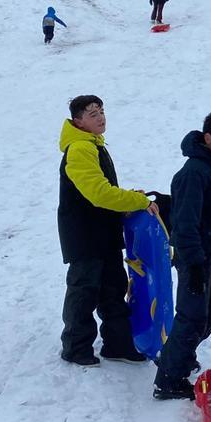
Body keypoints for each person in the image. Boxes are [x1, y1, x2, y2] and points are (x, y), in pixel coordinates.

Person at [57, 95, 159, 367]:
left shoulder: (94, 145)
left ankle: (118, 345)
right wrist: (137, 202)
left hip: (103, 233)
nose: (101, 117)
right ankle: (75, 347)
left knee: (112, 289)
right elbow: (98, 194)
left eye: (101, 111)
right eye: (92, 114)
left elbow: (104, 191)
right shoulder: (79, 149)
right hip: (84, 236)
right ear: (78, 121)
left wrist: (126, 200)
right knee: (84, 292)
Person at [154, 112, 211, 400]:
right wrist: (193, 265)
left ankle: (179, 354)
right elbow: (185, 223)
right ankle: (168, 380)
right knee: (191, 316)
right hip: (196, 256)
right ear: (208, 139)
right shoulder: (193, 172)